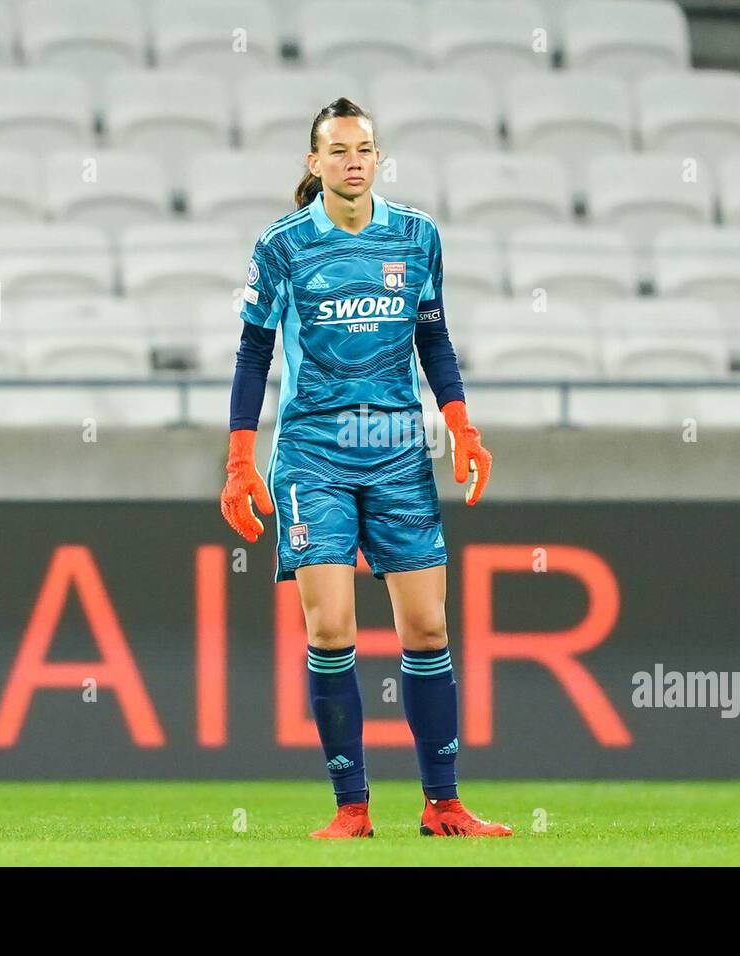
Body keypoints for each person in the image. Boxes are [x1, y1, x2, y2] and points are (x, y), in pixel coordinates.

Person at [219, 97, 511, 839]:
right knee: (330, 631)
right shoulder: (282, 245)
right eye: (338, 149)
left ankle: (442, 803)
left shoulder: (417, 238)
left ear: (378, 159)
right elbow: (254, 352)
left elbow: (434, 339)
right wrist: (238, 458)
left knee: (426, 629)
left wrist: (462, 426)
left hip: (397, 456)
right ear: (314, 164)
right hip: (313, 456)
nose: (354, 159)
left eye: (366, 148)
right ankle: (352, 807)